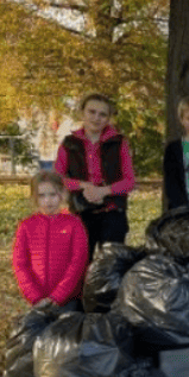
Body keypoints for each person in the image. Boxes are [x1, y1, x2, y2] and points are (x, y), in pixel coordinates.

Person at [55, 93, 135, 256]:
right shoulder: (69, 144)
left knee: (111, 264)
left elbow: (129, 181)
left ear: (108, 119)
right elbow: (58, 179)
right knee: (81, 262)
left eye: (102, 114)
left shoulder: (119, 143)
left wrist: (103, 191)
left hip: (113, 210)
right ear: (82, 112)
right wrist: (83, 186)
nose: (96, 118)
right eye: (92, 112)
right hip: (81, 211)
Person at [12, 170, 89, 308]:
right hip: (37, 301)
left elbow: (78, 262)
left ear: (62, 194)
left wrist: (57, 296)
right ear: (35, 198)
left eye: (53, 194)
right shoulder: (26, 226)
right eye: (42, 196)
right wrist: (34, 297)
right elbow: (20, 264)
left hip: (69, 300)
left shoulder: (74, 225)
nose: (48, 200)